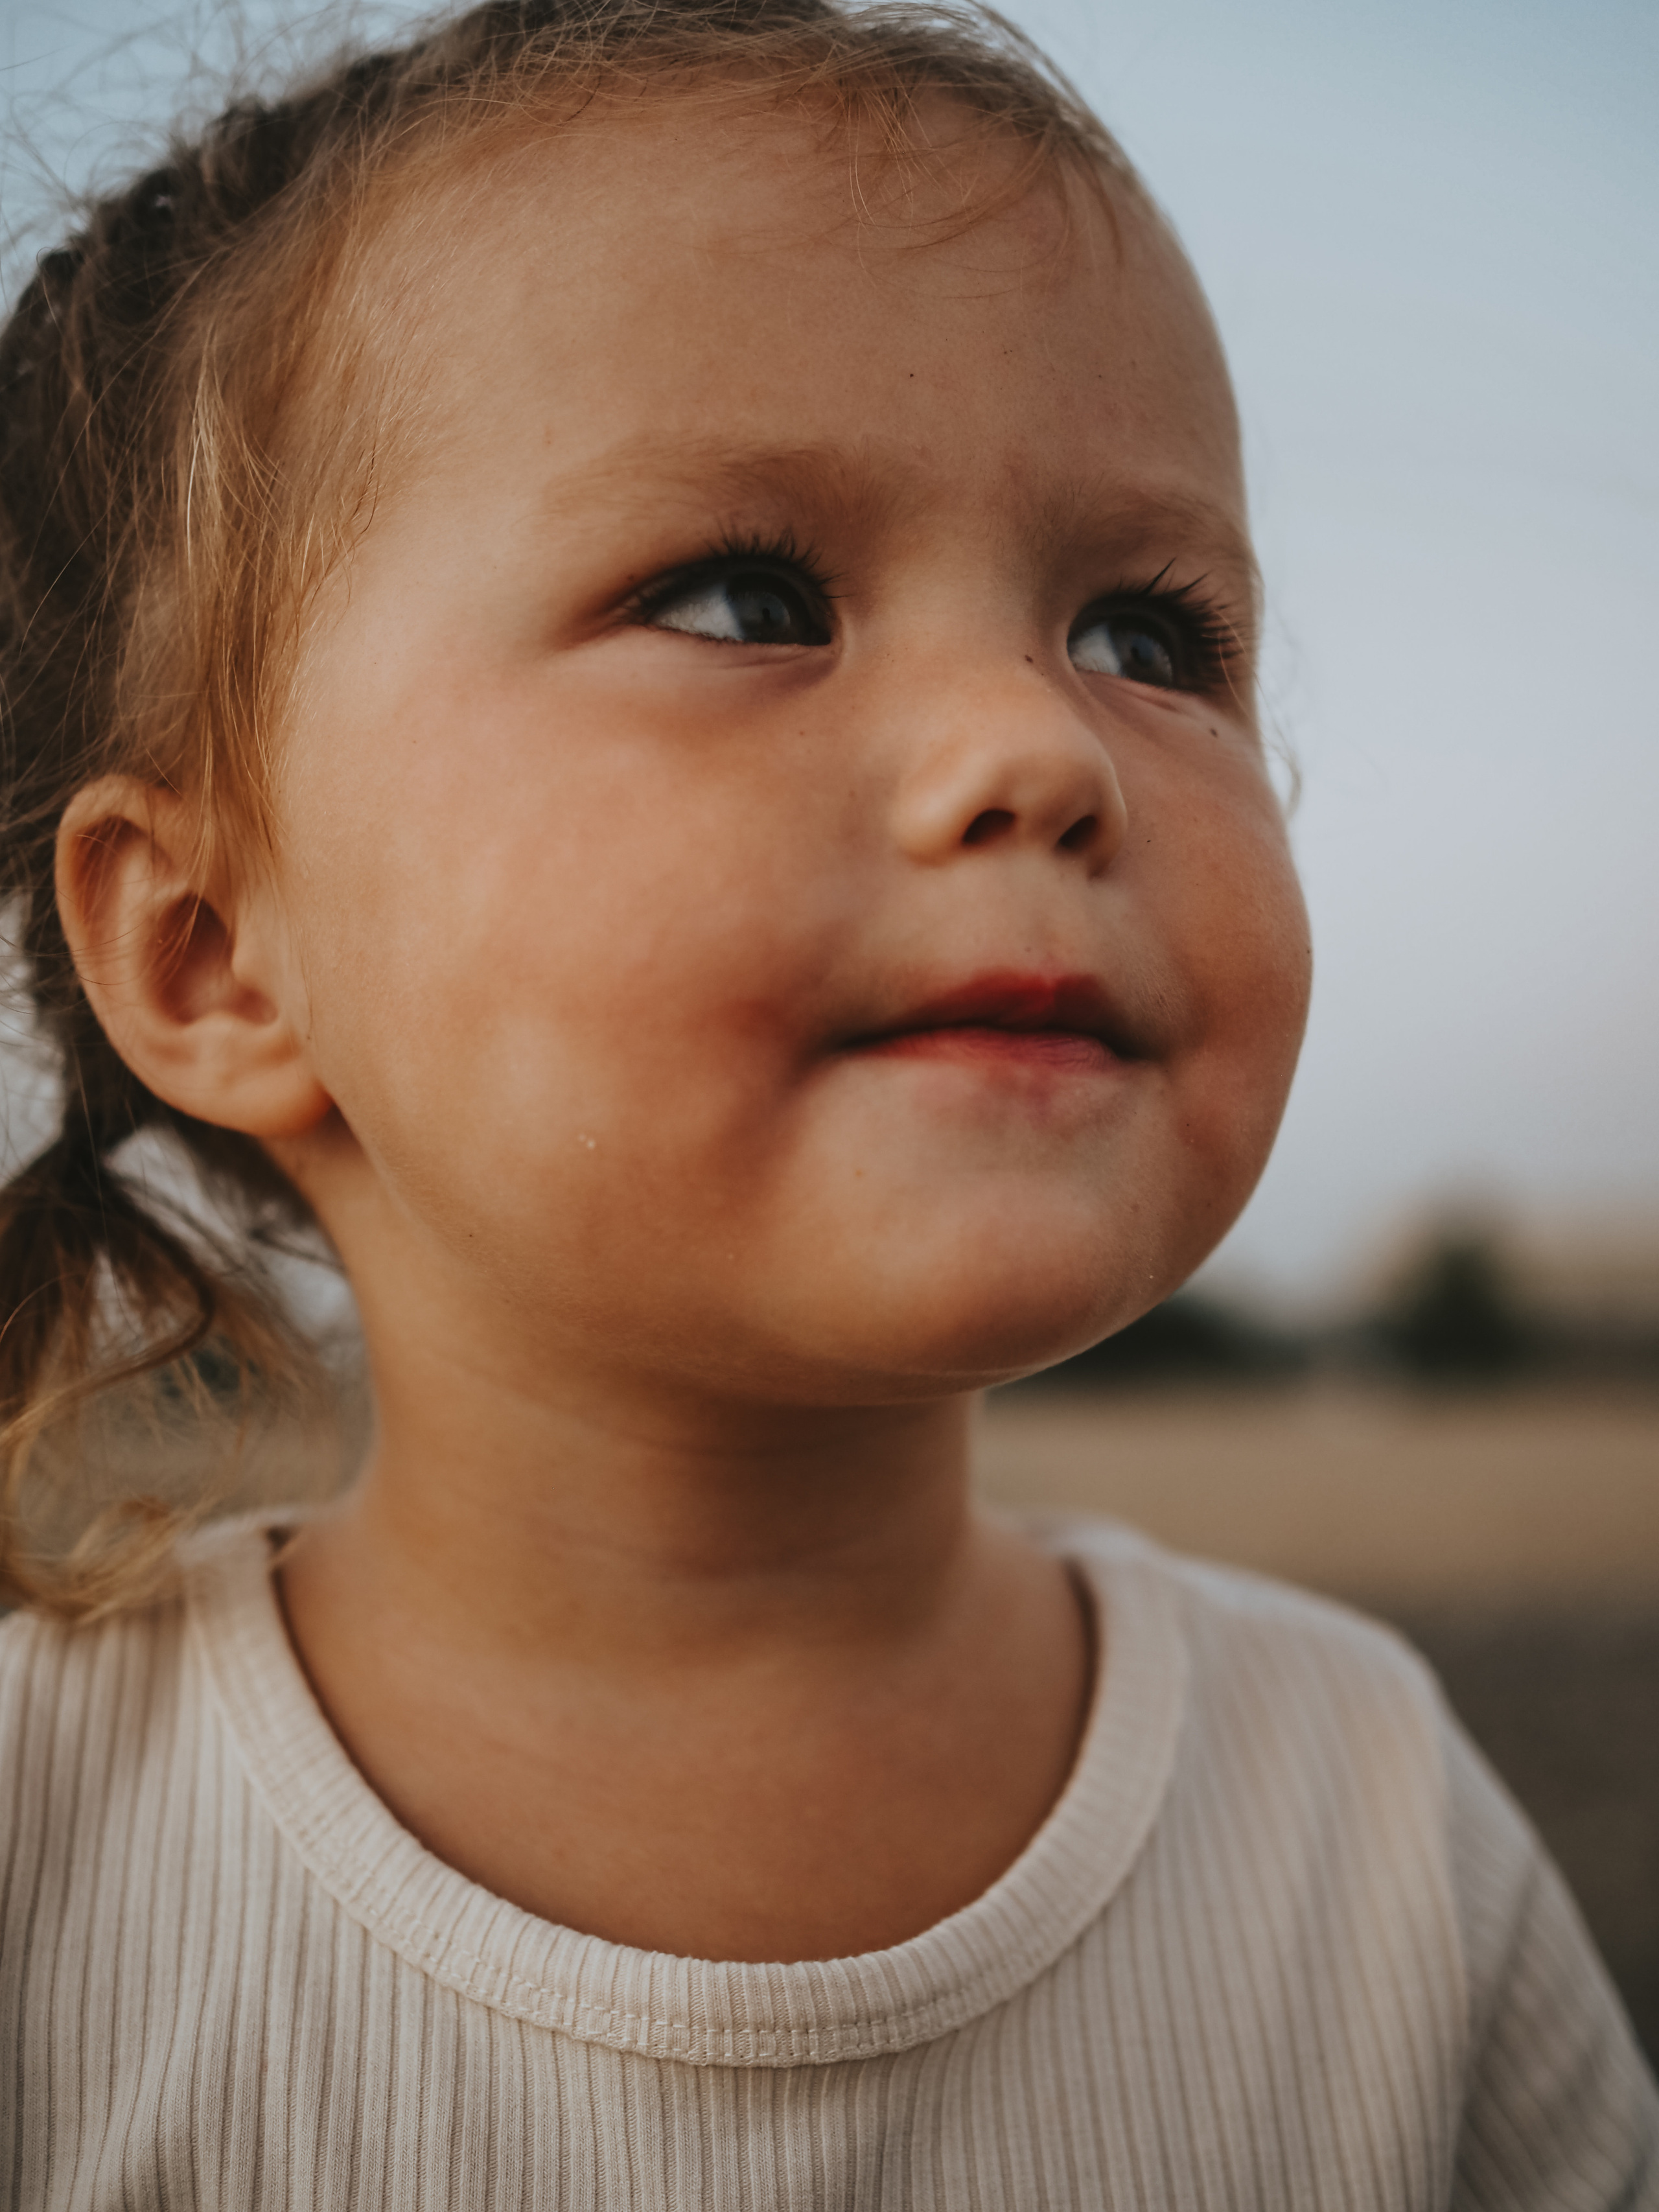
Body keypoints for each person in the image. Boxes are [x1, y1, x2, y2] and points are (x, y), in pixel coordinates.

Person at [0, 1, 1652, 2202]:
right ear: (215, 952)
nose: (1043, 754)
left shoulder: (1367, 1824)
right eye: (745, 597)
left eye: (1152, 637)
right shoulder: (39, 1854)